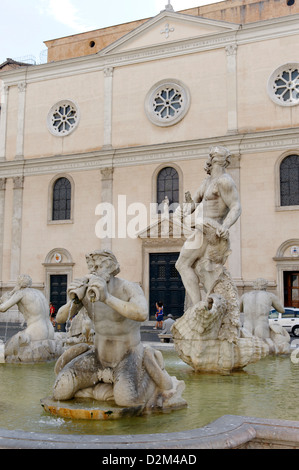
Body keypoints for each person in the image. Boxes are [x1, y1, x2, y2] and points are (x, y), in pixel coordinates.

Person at [52, 250, 184, 409]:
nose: (94, 270)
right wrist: (73, 299)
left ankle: (149, 367)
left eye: (99, 265)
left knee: (126, 400)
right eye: (92, 266)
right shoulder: (87, 291)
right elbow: (60, 318)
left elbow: (142, 313)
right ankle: (100, 384)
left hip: (127, 355)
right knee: (60, 390)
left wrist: (107, 298)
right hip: (99, 357)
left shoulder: (128, 288)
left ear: (112, 267)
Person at [175, 146, 241, 306]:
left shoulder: (224, 182)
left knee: (182, 264)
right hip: (201, 228)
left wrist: (225, 226)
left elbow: (236, 206)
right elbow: (194, 203)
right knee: (202, 268)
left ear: (221, 160)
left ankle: (198, 305)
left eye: (215, 157)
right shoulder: (207, 182)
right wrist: (185, 207)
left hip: (210, 229)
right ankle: (211, 301)